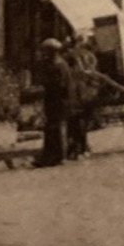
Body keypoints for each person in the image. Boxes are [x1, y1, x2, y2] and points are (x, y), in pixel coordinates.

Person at [34, 39, 72, 168]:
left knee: (55, 128)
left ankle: (56, 156)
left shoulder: (57, 65)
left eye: (46, 51)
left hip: (57, 100)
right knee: (52, 127)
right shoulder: (60, 64)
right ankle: (52, 155)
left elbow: (59, 85)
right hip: (55, 100)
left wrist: (46, 85)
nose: (45, 54)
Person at [66, 34, 101, 159]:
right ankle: (80, 147)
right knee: (80, 119)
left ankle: (80, 147)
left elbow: (84, 71)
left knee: (78, 119)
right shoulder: (87, 55)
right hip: (84, 88)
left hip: (80, 90)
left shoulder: (73, 55)